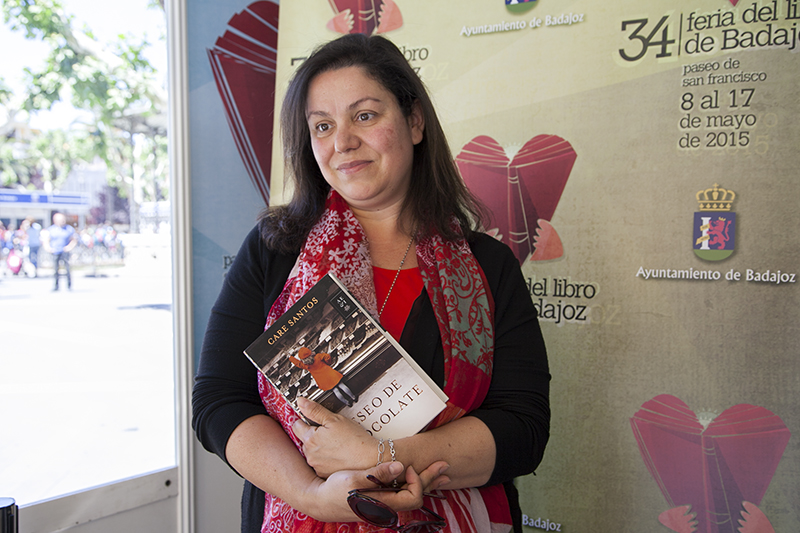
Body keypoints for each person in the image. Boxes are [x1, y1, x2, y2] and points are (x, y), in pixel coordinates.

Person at [192, 34, 550, 533]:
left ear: (415, 122)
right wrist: (313, 496)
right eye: (322, 125)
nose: (343, 142)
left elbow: (524, 428)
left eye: (365, 115)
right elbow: (218, 401)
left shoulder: (488, 267)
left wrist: (385, 454)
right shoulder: (275, 253)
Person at [42, 212, 78, 290]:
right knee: (55, 270)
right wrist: (48, 248)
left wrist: (69, 247)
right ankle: (56, 286)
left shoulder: (69, 229)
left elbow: (74, 240)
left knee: (67, 269)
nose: (62, 221)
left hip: (65, 251)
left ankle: (69, 285)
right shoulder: (51, 230)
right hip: (55, 251)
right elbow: (46, 240)